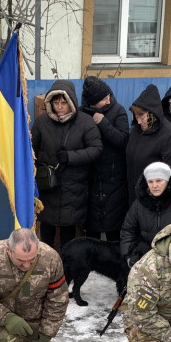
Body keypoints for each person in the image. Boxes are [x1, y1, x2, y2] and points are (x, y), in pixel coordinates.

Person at [31, 79, 103, 250]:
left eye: (64, 102)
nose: (60, 107)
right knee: (46, 227)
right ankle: (46, 260)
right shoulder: (41, 122)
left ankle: (66, 262)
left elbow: (96, 149)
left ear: (71, 102)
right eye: (56, 102)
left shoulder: (85, 122)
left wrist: (71, 157)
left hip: (74, 185)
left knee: (68, 230)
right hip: (48, 186)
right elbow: (32, 150)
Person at [121, 162, 171, 266]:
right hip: (146, 257)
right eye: (150, 181)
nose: (154, 186)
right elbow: (128, 230)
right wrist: (129, 255)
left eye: (159, 181)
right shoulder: (140, 203)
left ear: (167, 181)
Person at [81, 76, 129, 242]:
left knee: (114, 229)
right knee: (92, 230)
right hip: (91, 177)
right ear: (93, 102)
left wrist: (103, 122)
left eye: (108, 95)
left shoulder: (118, 111)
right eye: (103, 99)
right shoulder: (82, 113)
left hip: (114, 178)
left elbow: (123, 140)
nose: (108, 100)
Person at [126, 83, 171, 204]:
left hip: (154, 201)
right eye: (136, 116)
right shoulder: (136, 131)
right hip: (133, 198)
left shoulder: (170, 136)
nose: (138, 121)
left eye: (142, 116)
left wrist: (158, 204)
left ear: (152, 114)